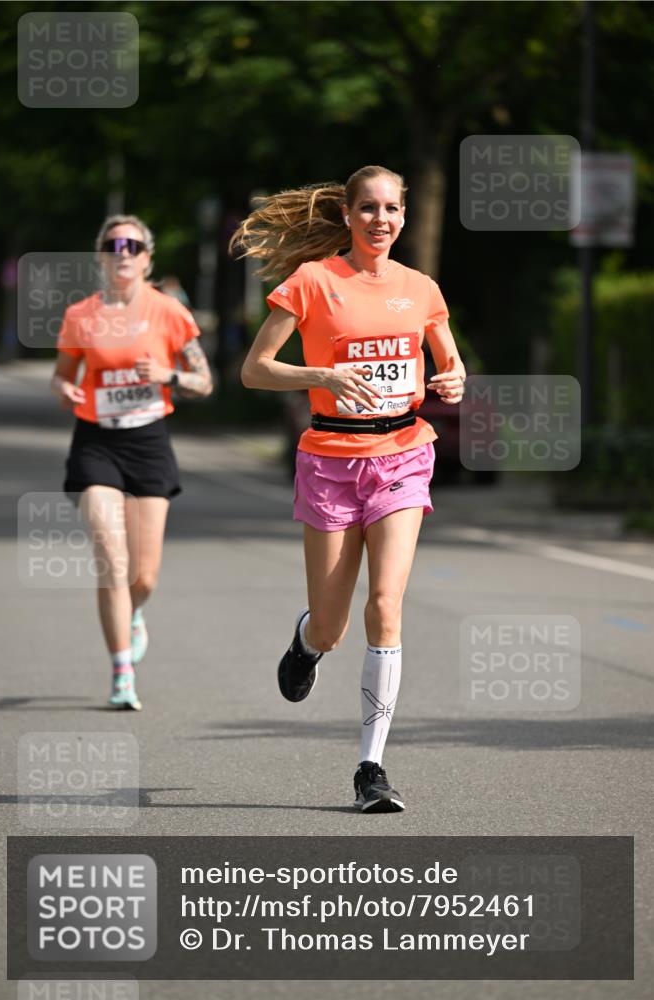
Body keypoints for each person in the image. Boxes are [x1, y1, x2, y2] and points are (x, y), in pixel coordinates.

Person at [232, 165, 466, 812]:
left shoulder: (420, 288)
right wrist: (324, 377)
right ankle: (307, 642)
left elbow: (449, 362)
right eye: (367, 208)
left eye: (391, 208)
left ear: (402, 214)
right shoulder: (312, 282)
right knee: (334, 624)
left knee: (385, 605)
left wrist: (452, 382)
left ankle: (371, 768)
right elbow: (254, 370)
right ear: (346, 215)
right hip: (330, 459)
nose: (380, 220)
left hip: (402, 453)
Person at [51, 215, 213, 710]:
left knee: (144, 576)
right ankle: (122, 673)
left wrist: (169, 374)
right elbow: (61, 377)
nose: (122, 251)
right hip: (96, 441)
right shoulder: (81, 315)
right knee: (111, 559)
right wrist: (65, 389)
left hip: (148, 442)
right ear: (101, 255)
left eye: (133, 244)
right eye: (112, 244)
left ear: (147, 257)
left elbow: (204, 381)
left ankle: (134, 614)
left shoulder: (169, 312)